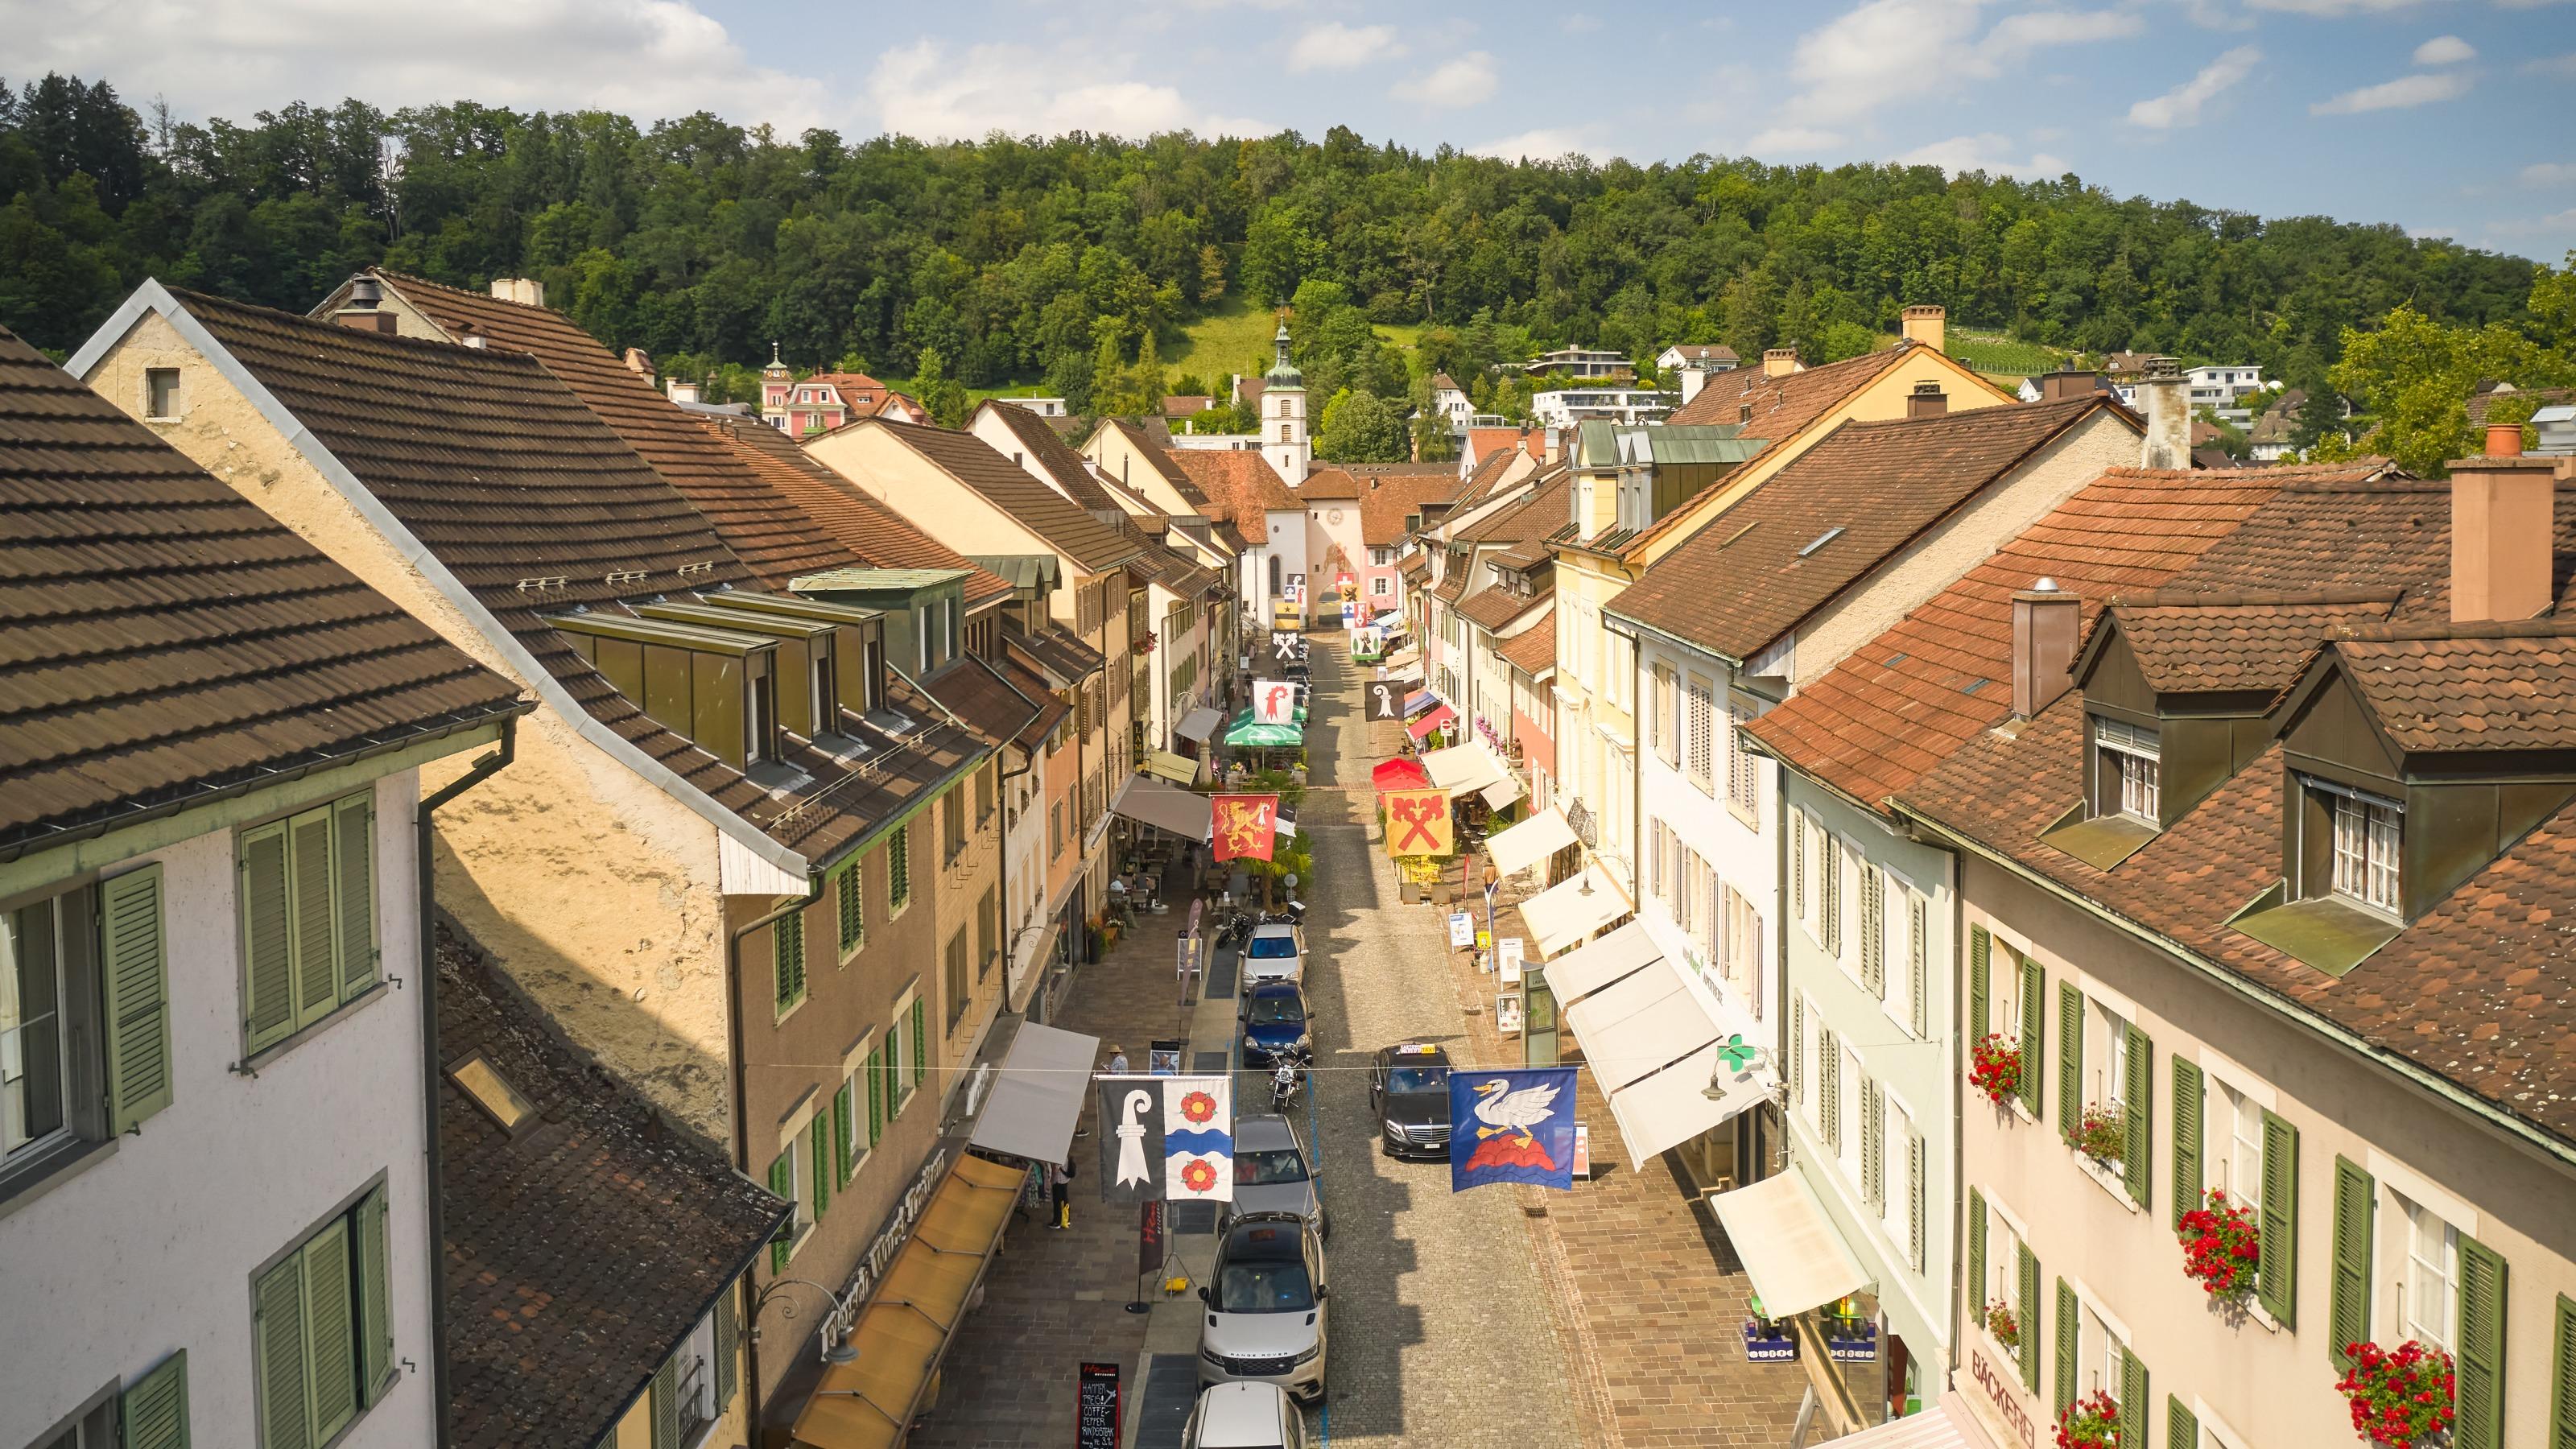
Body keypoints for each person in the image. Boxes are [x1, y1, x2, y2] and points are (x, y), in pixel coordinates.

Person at [1047, 1158, 1074, 1230]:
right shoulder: (1065, 1155)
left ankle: (1057, 1222)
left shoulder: (1058, 1157)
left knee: (1057, 1202)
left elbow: (1055, 1170)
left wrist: (1051, 1180)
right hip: (1065, 1180)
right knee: (1065, 1200)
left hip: (1058, 1181)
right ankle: (1066, 1219)